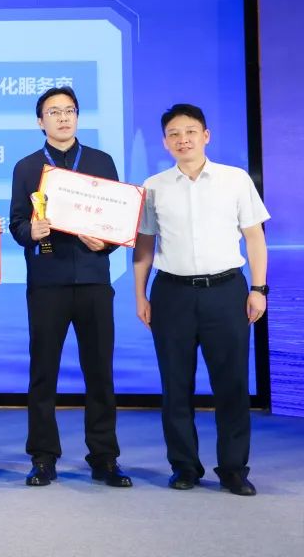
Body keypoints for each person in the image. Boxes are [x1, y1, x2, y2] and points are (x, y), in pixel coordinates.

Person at [133, 103, 269, 496]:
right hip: (171, 293)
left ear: (205, 136)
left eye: (190, 132)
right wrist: (140, 295)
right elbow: (144, 245)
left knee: (232, 384)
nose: (183, 140)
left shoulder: (234, 179)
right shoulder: (153, 186)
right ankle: (184, 466)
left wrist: (258, 289)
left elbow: (255, 238)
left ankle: (233, 469)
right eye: (174, 134)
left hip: (226, 292)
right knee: (175, 385)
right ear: (165, 142)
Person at [8, 87, 131, 488]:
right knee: (43, 373)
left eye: (69, 111)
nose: (63, 118)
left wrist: (106, 243)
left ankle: (104, 457)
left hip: (95, 280)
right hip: (47, 282)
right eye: (53, 112)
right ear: (39, 121)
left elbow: (116, 219)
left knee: (100, 372)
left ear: (77, 116)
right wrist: (31, 231)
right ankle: (43, 457)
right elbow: (16, 223)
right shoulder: (27, 166)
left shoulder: (100, 161)